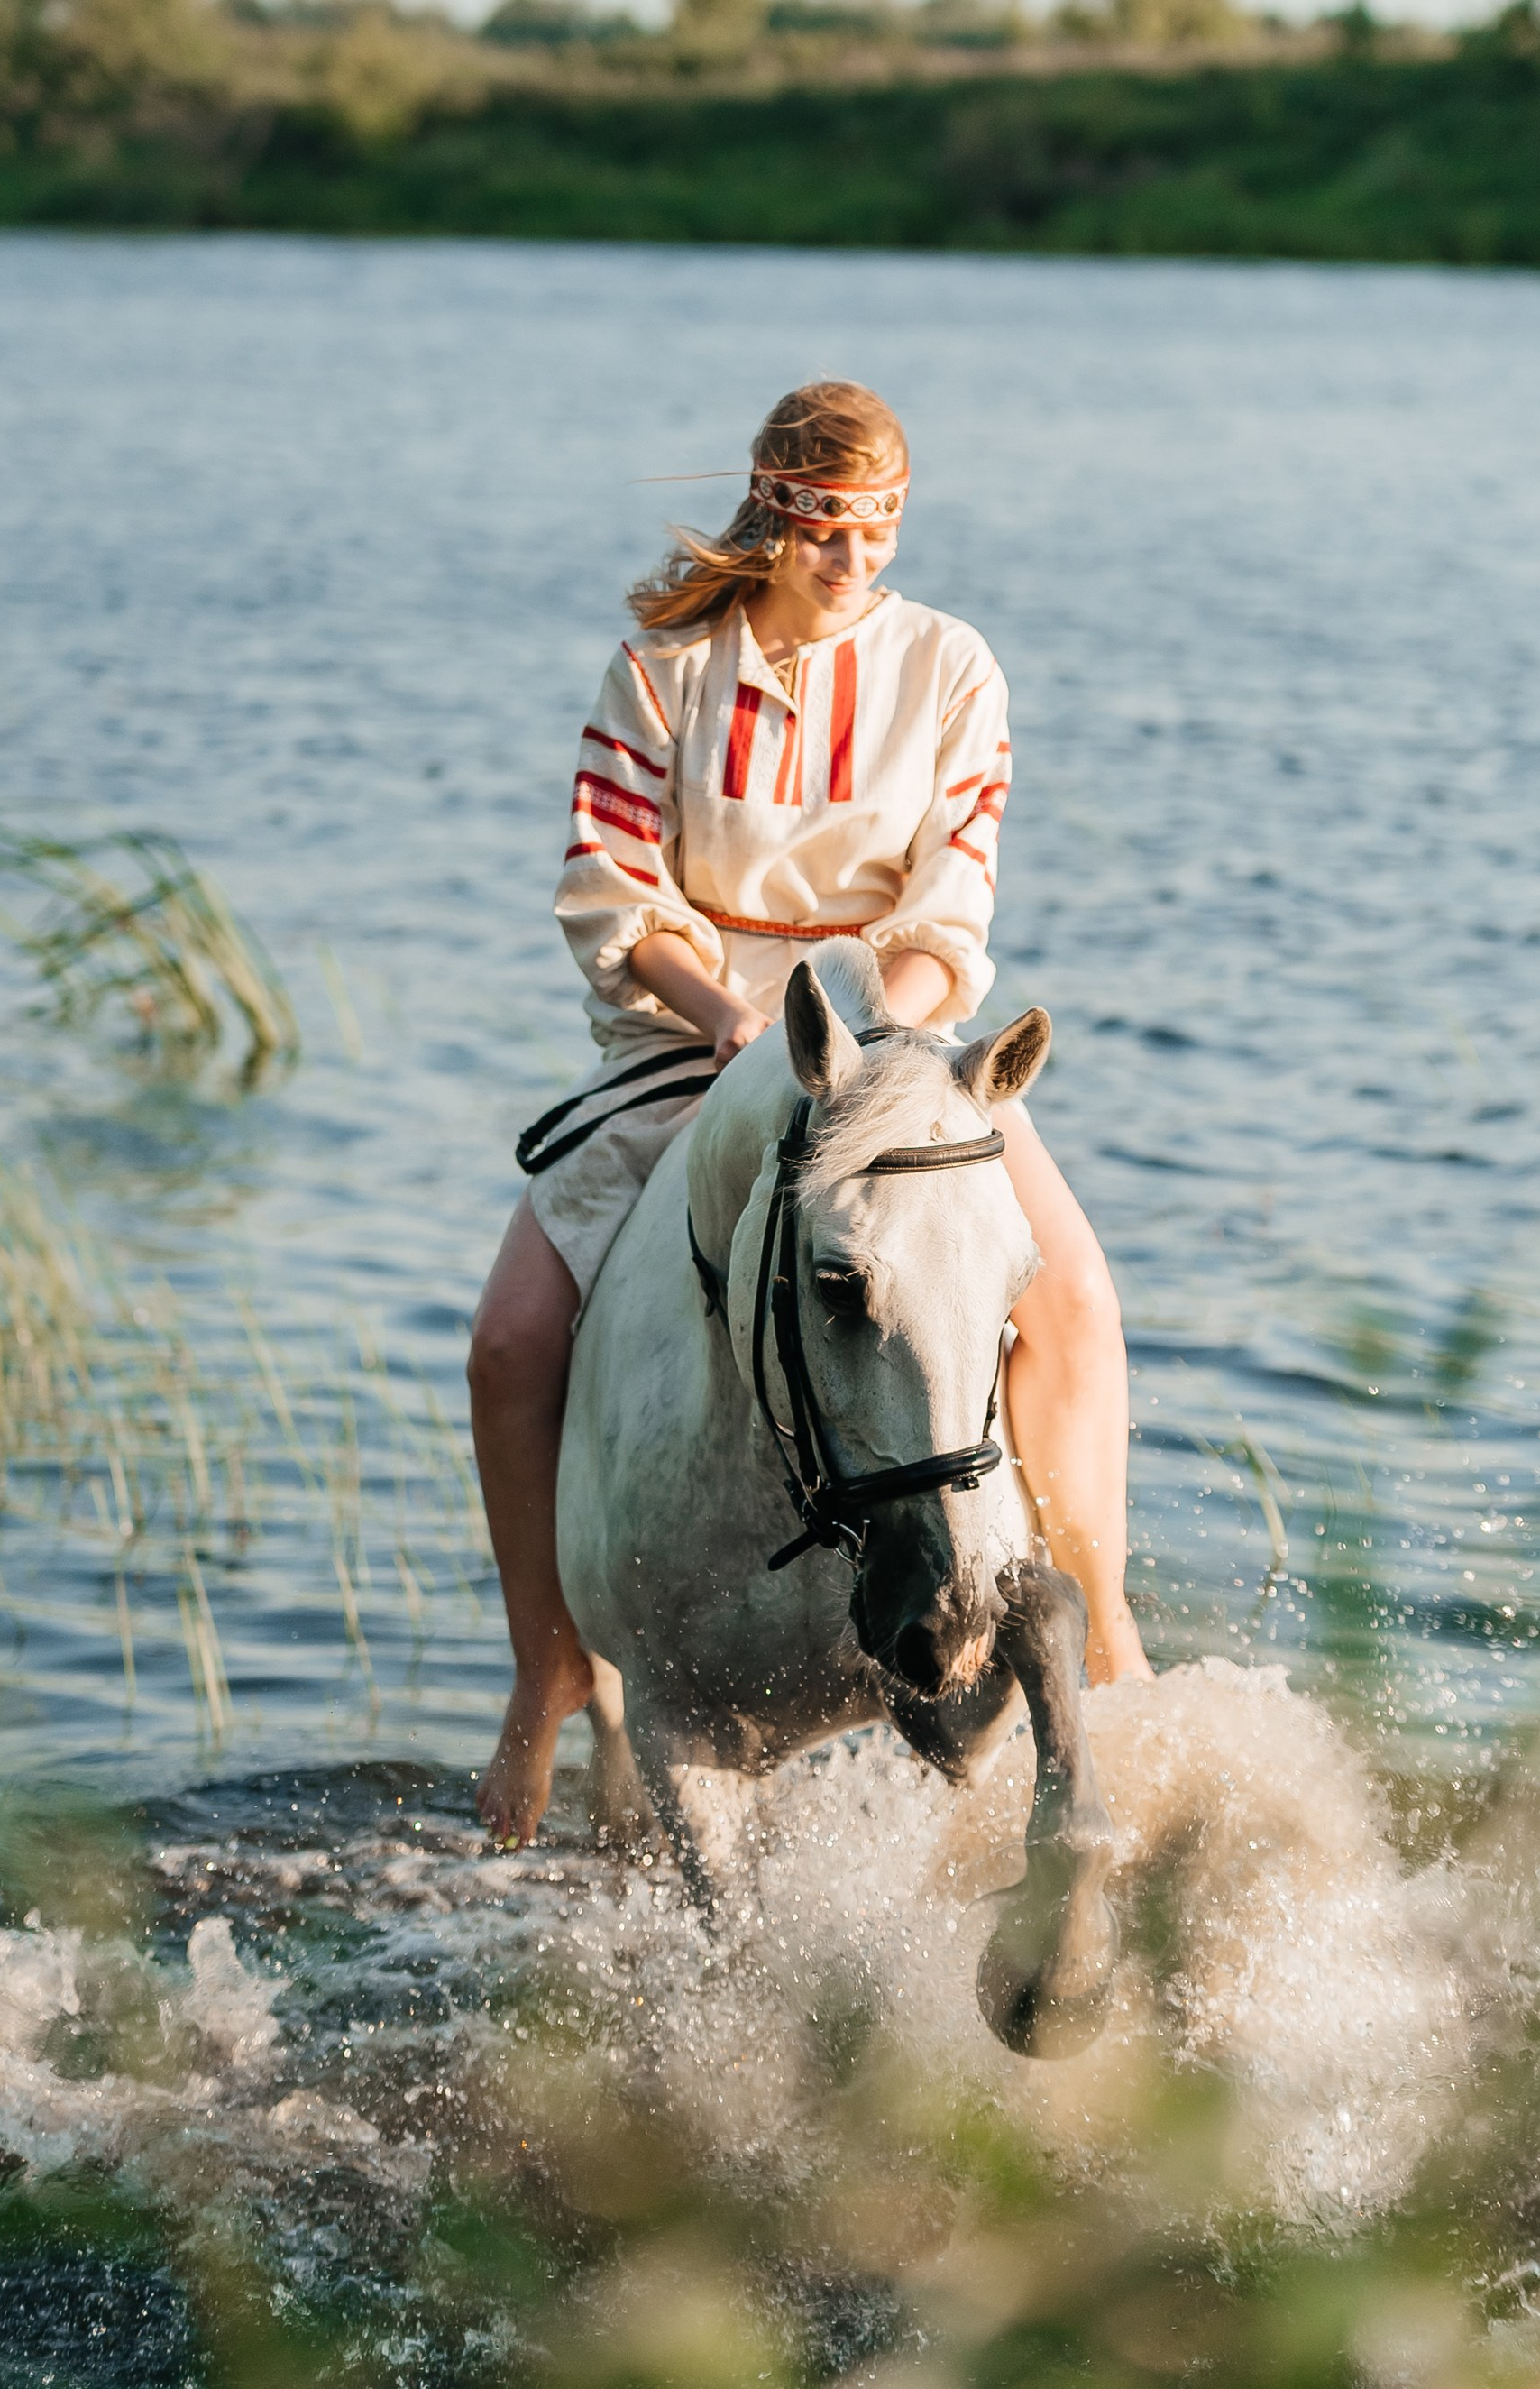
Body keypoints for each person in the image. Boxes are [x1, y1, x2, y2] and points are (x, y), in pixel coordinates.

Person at [469, 380, 1150, 1847]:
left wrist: (882, 1036)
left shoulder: (951, 665)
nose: (854, 562)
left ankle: (1102, 1626)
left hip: (896, 1035)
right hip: (691, 1034)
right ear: (776, 515)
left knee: (1077, 1294)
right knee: (511, 1337)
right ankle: (546, 1663)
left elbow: (953, 891)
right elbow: (610, 886)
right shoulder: (662, 666)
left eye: (880, 532)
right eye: (829, 531)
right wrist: (734, 1028)